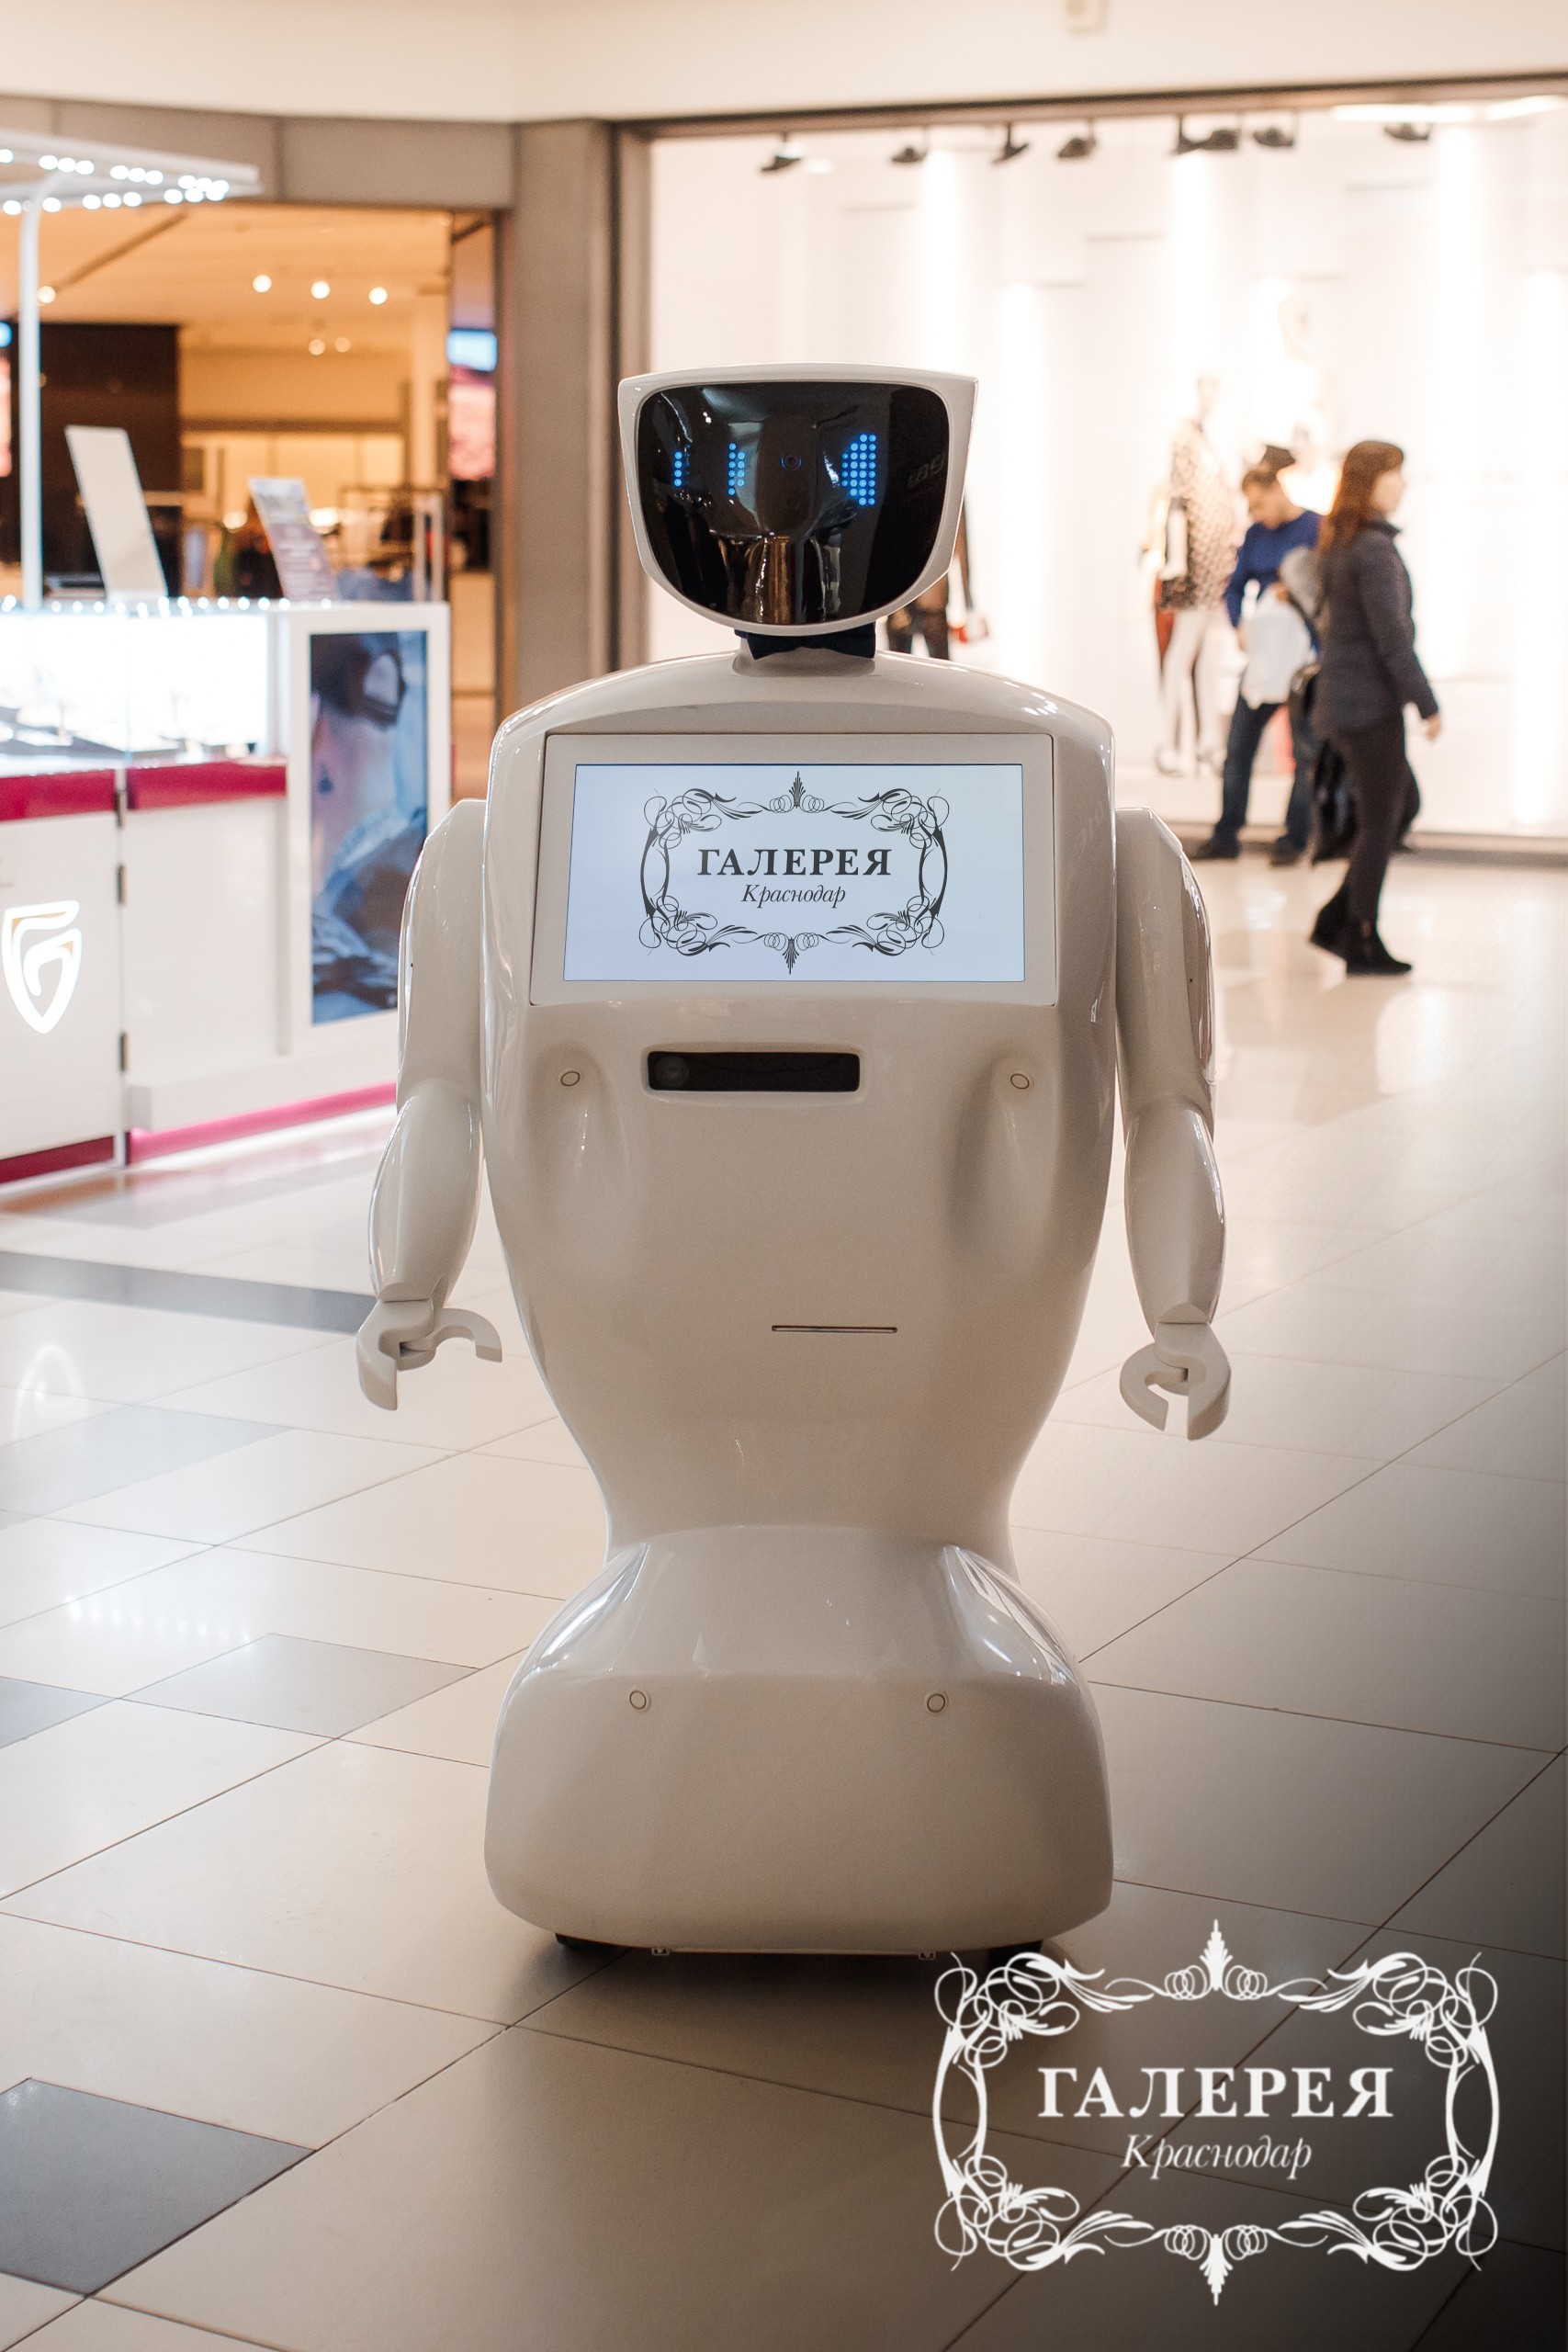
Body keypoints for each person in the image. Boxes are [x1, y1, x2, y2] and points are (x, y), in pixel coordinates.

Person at [1308, 442, 1440, 977]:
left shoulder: (1343, 541)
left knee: (1398, 806)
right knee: (1383, 819)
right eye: (1396, 473)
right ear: (1372, 481)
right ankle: (1358, 934)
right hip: (1368, 707)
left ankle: (1338, 918)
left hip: (1347, 701)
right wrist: (1426, 703)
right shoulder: (1372, 549)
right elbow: (1393, 640)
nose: (1403, 484)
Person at [1190, 464, 1321, 865]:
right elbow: (1233, 587)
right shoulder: (1255, 536)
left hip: (1304, 661)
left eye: (1260, 503)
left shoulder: (1318, 529)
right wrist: (1239, 624)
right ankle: (1226, 835)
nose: (1257, 513)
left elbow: (1327, 590)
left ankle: (1294, 839)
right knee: (1239, 747)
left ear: (1277, 489)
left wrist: (1295, 594)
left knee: (1305, 752)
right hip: (1264, 658)